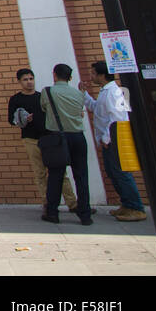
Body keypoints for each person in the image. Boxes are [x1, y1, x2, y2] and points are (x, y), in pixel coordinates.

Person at [80, 61, 146, 222]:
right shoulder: (105, 91)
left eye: (94, 73)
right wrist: (84, 94)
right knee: (113, 172)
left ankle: (136, 207)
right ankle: (127, 204)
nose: (92, 76)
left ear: (102, 75)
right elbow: (96, 108)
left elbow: (117, 117)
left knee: (121, 173)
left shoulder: (114, 92)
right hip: (108, 139)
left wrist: (107, 138)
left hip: (114, 139)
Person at [7, 68, 77, 213]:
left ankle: (72, 203)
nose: (29, 82)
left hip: (49, 138)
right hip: (30, 139)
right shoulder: (16, 99)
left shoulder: (43, 96)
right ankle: (48, 204)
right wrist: (23, 119)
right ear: (19, 82)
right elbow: (11, 120)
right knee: (40, 173)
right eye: (25, 80)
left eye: (31, 79)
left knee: (60, 172)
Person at [40, 63, 92, 225]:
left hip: (57, 138)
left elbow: (43, 108)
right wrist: (81, 90)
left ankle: (53, 213)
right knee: (82, 176)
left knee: (56, 176)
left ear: (54, 75)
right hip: (78, 137)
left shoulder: (48, 92)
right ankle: (85, 215)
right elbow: (79, 110)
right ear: (70, 77)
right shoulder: (78, 94)